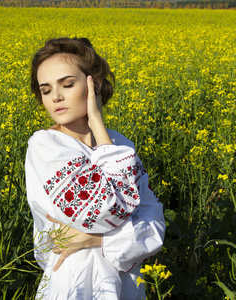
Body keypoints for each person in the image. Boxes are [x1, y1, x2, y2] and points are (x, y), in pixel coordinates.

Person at [25, 37, 165, 300]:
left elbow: (155, 227)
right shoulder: (46, 146)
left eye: (67, 84)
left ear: (95, 85)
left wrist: (97, 240)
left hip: (127, 287)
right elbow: (104, 210)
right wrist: (121, 235)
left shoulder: (121, 145)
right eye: (45, 90)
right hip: (73, 283)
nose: (56, 96)